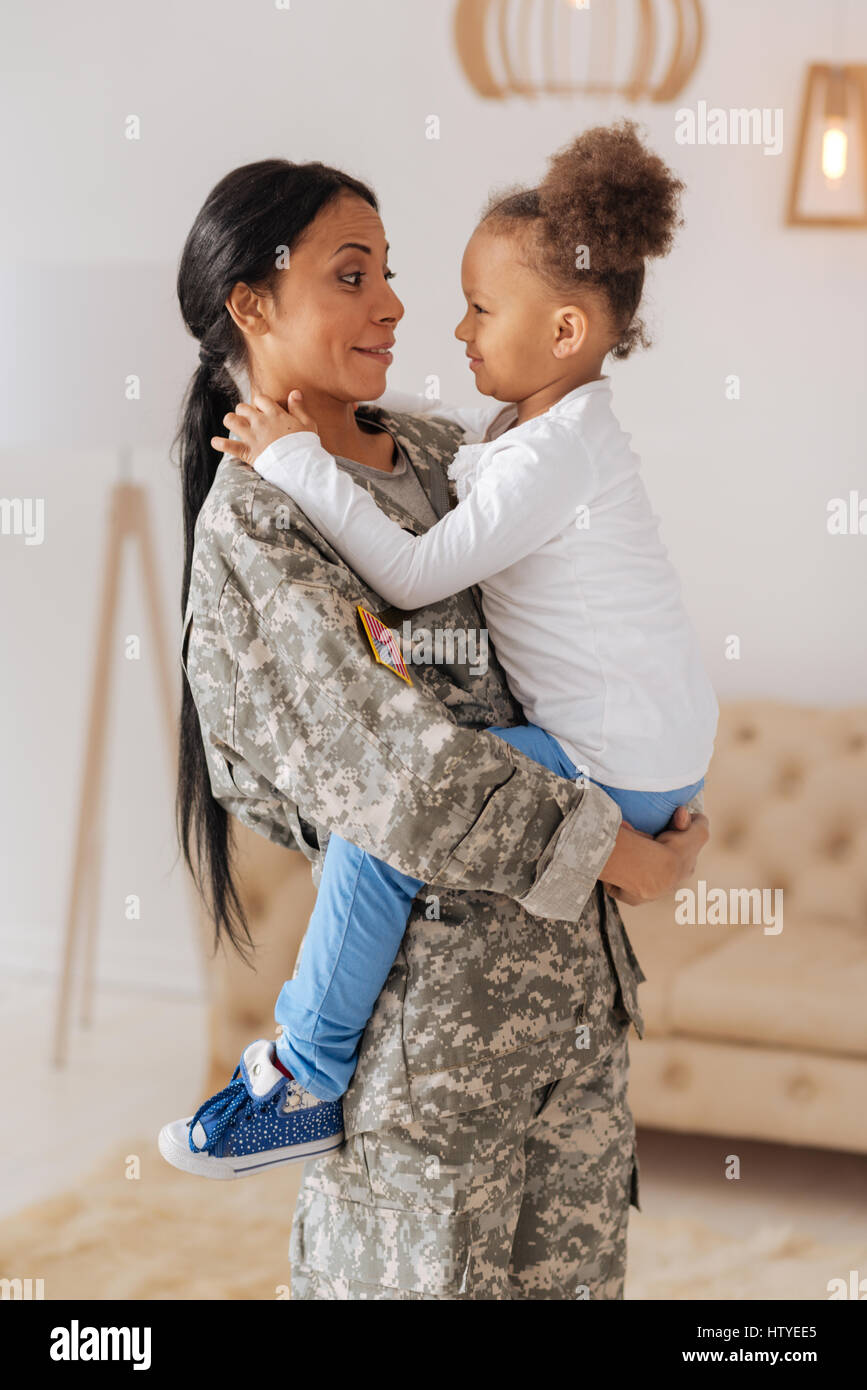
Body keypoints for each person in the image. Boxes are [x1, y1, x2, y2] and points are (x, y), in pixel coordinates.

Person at [163, 154, 709, 1298]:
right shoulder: (261, 520)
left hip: (574, 1014)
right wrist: (618, 849)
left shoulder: (440, 451)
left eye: (392, 273)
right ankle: (294, 1084)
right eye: (350, 275)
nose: (398, 306)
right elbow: (393, 776)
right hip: (430, 1058)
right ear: (251, 306)